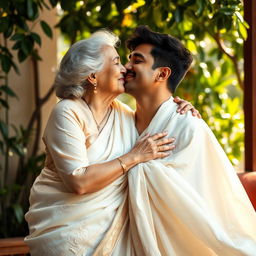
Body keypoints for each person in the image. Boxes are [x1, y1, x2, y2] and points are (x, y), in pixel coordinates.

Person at [24, 30, 197, 255]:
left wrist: (179, 107)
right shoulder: (67, 113)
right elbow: (79, 183)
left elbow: (156, 120)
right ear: (93, 76)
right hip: (66, 236)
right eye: (117, 62)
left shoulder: (124, 115)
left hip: (115, 236)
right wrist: (133, 157)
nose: (125, 68)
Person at [112, 26, 255, 255]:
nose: (125, 67)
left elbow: (197, 207)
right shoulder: (117, 119)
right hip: (114, 234)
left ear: (162, 74)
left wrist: (139, 169)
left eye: (137, 60)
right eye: (128, 59)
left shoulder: (189, 127)